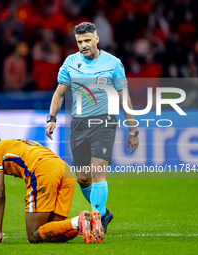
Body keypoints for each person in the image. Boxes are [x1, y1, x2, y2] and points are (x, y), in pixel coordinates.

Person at [45, 22, 139, 234]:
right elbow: (59, 94)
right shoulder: (70, 63)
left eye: (87, 40)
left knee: (98, 171)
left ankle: (96, 225)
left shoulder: (113, 64)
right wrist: (51, 118)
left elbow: (125, 98)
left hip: (104, 123)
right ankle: (103, 213)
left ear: (97, 39)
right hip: (78, 124)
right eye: (79, 42)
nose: (83, 45)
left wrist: (133, 131)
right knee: (82, 177)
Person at [0, 135, 104, 244]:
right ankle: (89, 223)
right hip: (64, 170)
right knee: (52, 233)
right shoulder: (20, 143)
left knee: (33, 235)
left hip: (43, 170)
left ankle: (79, 221)